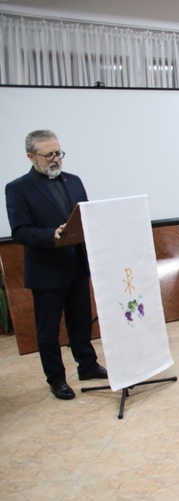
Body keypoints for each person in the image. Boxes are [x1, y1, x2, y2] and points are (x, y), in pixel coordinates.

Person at [5, 130, 107, 400]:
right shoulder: (18, 188)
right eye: (48, 154)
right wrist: (51, 234)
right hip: (47, 269)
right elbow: (21, 231)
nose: (55, 159)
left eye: (58, 153)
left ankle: (87, 365)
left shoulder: (74, 181)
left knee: (81, 321)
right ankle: (56, 379)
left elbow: (86, 216)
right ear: (31, 156)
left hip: (77, 263)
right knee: (49, 330)